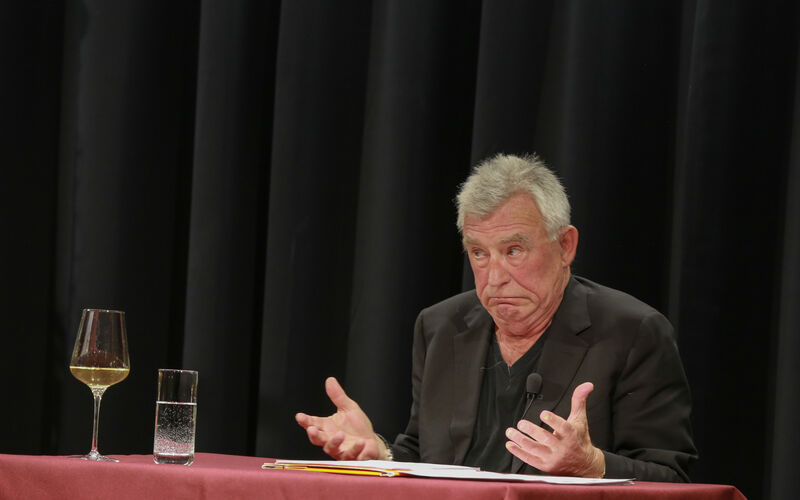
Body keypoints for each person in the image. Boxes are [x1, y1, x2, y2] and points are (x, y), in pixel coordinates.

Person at [296, 154, 697, 481]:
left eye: (513, 251)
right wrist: (379, 454)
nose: (494, 277)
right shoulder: (440, 326)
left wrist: (593, 465)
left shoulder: (632, 332)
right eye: (479, 253)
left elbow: (670, 478)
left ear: (565, 246)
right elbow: (424, 455)